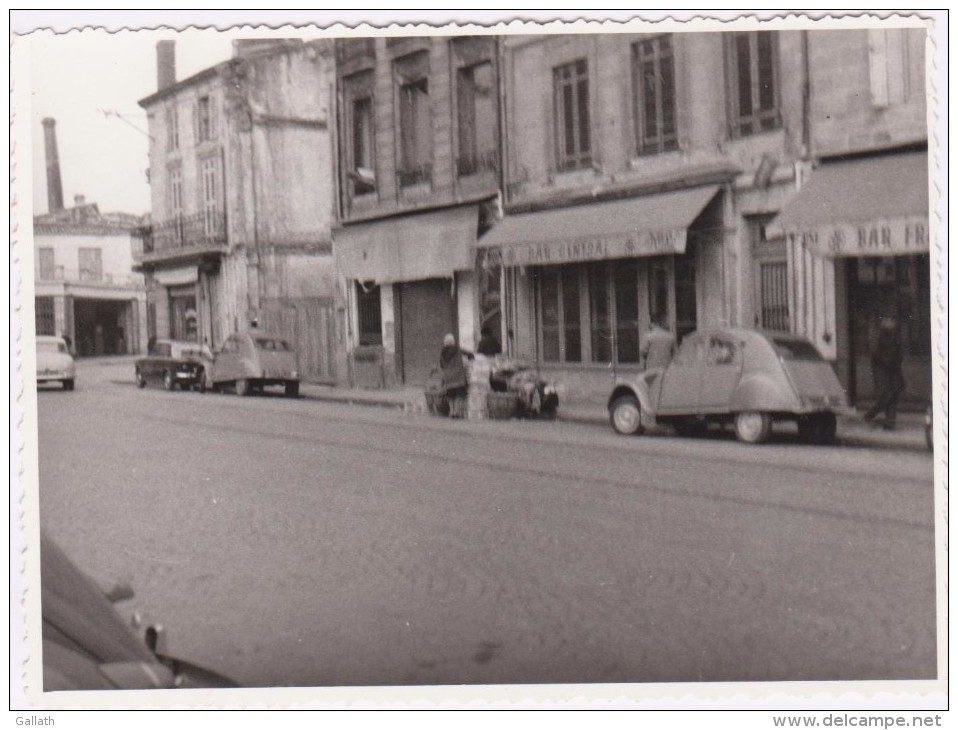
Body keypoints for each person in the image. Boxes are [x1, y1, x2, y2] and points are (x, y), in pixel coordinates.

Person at [863, 315, 905, 430]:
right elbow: (875, 353)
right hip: (882, 369)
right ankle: (870, 415)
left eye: (893, 321)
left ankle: (890, 422)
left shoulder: (894, 334)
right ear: (884, 322)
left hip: (893, 369)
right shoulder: (879, 335)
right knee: (886, 395)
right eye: (890, 320)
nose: (893, 323)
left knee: (893, 394)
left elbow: (898, 351)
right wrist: (889, 363)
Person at [439, 333, 468, 418]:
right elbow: (470, 354)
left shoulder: (442, 353)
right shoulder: (458, 349)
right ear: (453, 342)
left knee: (450, 395)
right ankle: (458, 412)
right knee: (460, 395)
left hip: (448, 378)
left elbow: (442, 365)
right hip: (459, 376)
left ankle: (452, 412)